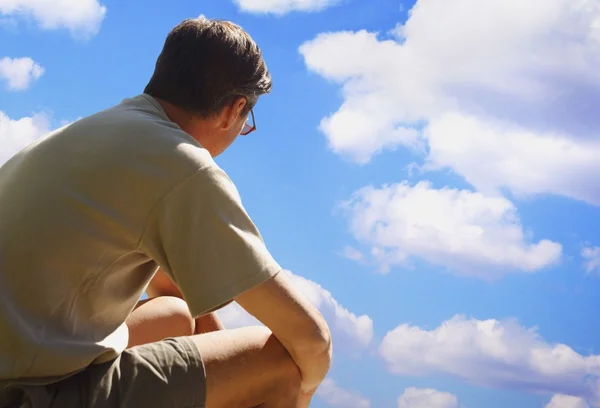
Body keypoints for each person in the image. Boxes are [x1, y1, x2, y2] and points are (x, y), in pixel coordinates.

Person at [0, 17, 332, 408]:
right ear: (234, 109)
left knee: (175, 313)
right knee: (281, 361)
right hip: (26, 394)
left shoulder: (95, 133)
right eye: (247, 122)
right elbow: (312, 338)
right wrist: (291, 391)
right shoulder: (182, 165)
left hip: (22, 361)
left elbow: (174, 290)